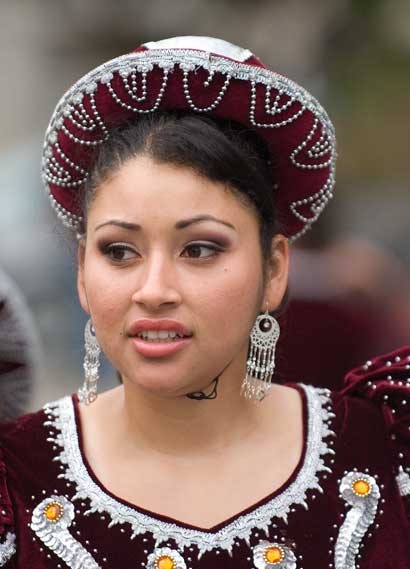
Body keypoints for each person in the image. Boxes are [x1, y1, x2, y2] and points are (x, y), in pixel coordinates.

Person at [0, 36, 409, 569]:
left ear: (275, 268)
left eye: (199, 249)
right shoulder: (14, 481)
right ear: (81, 272)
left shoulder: (384, 453)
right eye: (119, 251)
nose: (153, 289)